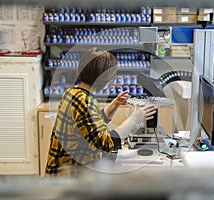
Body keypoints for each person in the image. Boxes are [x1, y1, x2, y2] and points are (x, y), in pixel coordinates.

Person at [45, 48, 157, 176]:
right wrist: (134, 119)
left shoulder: (74, 93)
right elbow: (106, 143)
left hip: (62, 169)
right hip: (69, 176)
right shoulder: (84, 101)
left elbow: (90, 126)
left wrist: (115, 104)